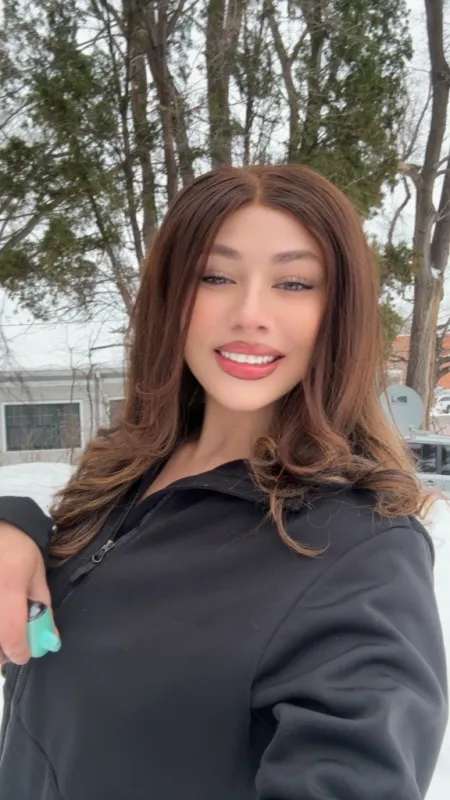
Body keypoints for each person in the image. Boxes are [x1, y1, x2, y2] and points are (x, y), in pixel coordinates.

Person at [0, 164, 447, 800]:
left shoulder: (362, 551)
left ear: (338, 313)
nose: (249, 314)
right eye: (215, 276)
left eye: (294, 283)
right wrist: (18, 527)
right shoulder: (128, 472)